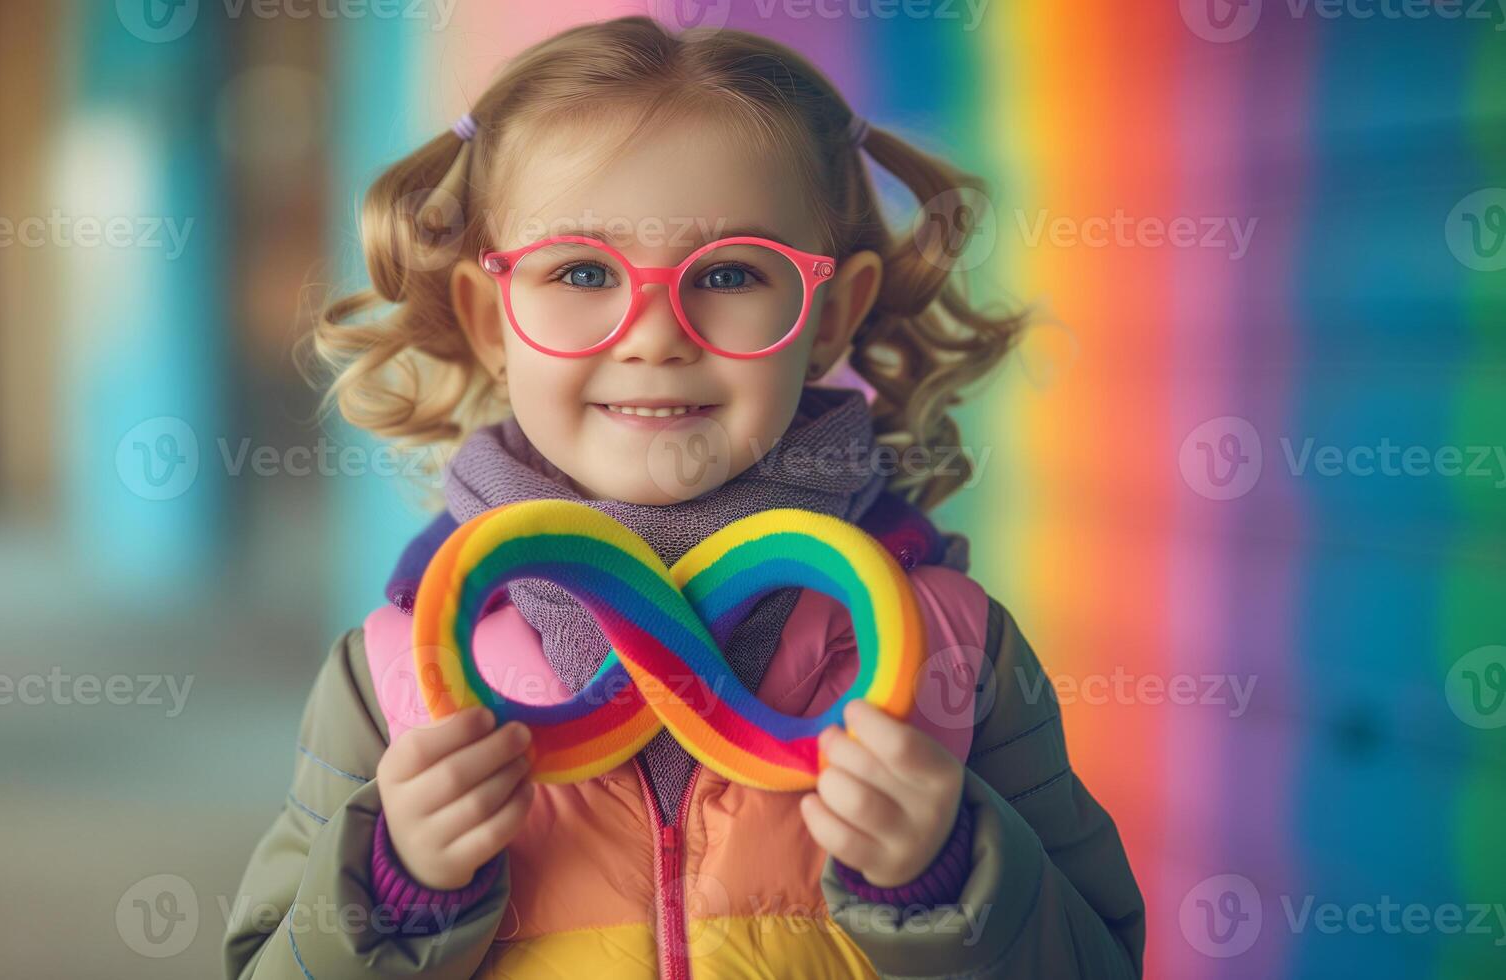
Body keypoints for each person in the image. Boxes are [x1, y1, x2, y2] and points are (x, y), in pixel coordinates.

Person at [224, 16, 1145, 979]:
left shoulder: (954, 649)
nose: (655, 333)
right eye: (580, 271)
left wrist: (950, 879)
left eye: (732, 274)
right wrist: (394, 889)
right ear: (491, 321)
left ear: (826, 314)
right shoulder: (392, 678)